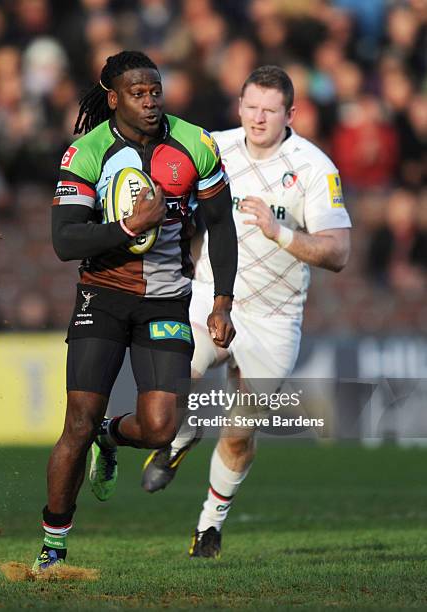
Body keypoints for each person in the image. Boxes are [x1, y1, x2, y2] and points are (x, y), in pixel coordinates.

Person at [33, 50, 237, 571]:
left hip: (167, 300)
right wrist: (128, 227)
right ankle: (54, 544)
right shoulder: (86, 153)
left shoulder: (196, 145)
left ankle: (112, 434)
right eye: (137, 93)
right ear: (114, 98)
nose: (150, 102)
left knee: (161, 427)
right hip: (101, 298)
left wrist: (221, 301)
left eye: (155, 92)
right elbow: (64, 240)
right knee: (76, 423)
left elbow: (222, 225)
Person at [140, 65, 351, 558]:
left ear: (290, 114)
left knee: (239, 431)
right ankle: (184, 434)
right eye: (251, 107)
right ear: (239, 107)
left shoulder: (315, 168)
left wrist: (281, 232)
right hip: (213, 296)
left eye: (270, 110)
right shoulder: (213, 147)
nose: (259, 118)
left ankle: (209, 525)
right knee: (173, 381)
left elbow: (338, 253)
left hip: (276, 319)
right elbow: (170, 192)